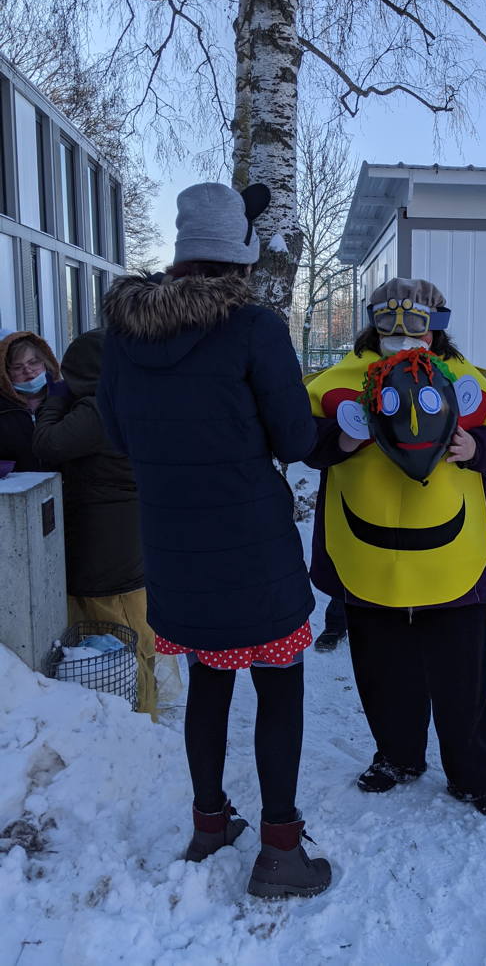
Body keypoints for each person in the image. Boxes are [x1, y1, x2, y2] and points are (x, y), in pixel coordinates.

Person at [97, 182, 331, 898]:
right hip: (252, 548)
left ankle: (209, 823)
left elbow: (114, 433)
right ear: (240, 257)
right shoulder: (255, 328)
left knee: (208, 680)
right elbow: (297, 438)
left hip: (173, 546)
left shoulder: (125, 335)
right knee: (279, 687)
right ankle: (281, 853)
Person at [305, 277, 486, 819]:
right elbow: (303, 440)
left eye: (416, 323)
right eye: (388, 323)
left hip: (455, 559)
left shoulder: (466, 380)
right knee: (383, 670)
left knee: (464, 678)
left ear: (437, 325)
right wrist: (340, 440)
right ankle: (397, 756)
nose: (401, 336)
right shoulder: (337, 382)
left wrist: (478, 446)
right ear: (372, 321)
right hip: (368, 557)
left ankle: (474, 775)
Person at [32, 328, 158, 717]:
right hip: (124, 537)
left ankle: (134, 716)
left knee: (113, 633)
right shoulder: (134, 397)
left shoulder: (98, 407)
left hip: (104, 544)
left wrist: (53, 401)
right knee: (133, 629)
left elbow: (47, 446)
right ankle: (145, 709)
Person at [0, 331, 60, 471]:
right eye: (17, 367)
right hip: (18, 489)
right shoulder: (3, 409)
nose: (28, 371)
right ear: (6, 374)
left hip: (64, 487)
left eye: (33, 363)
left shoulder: (66, 399)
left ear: (46, 363)